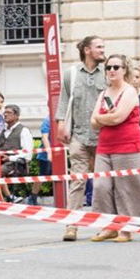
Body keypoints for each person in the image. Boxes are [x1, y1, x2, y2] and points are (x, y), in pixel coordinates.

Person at [88, 55, 140, 242]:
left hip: (127, 145)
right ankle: (109, 226)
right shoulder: (103, 93)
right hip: (105, 145)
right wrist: (103, 118)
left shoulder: (130, 92)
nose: (111, 70)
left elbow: (118, 117)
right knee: (101, 186)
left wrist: (101, 118)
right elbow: (93, 123)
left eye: (116, 67)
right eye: (108, 67)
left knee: (126, 187)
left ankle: (127, 229)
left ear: (124, 69)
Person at [54, 35, 107, 240]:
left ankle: (104, 224)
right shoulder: (72, 74)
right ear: (87, 50)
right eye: (99, 47)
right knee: (77, 181)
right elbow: (64, 99)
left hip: (103, 136)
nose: (102, 50)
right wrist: (61, 125)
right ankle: (72, 225)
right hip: (79, 135)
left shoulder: (108, 72)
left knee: (103, 184)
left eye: (103, 47)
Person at [0, 104, 35, 202]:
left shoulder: (23, 131)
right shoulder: (2, 131)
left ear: (16, 116)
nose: (5, 115)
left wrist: (9, 158)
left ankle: (3, 198)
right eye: (5, 112)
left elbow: (28, 155)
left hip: (15, 164)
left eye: (9, 113)